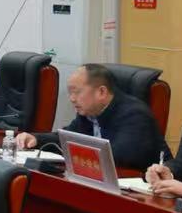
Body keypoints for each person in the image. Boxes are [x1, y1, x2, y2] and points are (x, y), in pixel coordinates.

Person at [16, 63, 169, 170]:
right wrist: (36, 139)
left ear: (101, 92)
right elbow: (68, 137)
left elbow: (116, 158)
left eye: (77, 92)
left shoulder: (135, 115)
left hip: (147, 192)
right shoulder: (89, 112)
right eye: (70, 93)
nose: (72, 99)